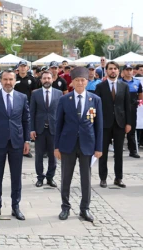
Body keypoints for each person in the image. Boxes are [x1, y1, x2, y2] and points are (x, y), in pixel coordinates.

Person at [54, 67, 103, 222]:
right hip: (67, 144)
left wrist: (99, 147)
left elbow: (98, 125)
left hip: (87, 144)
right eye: (77, 80)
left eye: (83, 80)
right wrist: (56, 147)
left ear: (87, 81)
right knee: (66, 178)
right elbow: (58, 125)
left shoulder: (94, 100)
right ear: (72, 83)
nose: (80, 83)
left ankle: (85, 208)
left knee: (86, 179)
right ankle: (65, 207)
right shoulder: (64, 100)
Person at [0, 70, 30, 221]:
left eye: (11, 79)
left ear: (15, 80)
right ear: (1, 80)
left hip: (17, 142)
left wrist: (27, 140)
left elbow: (26, 120)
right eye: (5, 79)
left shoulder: (22, 97)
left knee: (16, 176)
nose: (8, 82)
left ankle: (15, 206)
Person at [95, 61, 132, 188]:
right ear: (106, 71)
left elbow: (128, 106)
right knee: (103, 152)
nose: (113, 71)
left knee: (119, 153)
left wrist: (128, 123)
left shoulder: (124, 86)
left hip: (120, 123)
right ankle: (103, 178)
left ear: (118, 71)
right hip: (104, 124)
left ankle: (118, 178)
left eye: (115, 69)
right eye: (110, 69)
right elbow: (96, 107)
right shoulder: (100, 86)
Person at [30, 71, 63, 187]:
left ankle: (50, 177)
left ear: (52, 79)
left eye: (49, 78)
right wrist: (31, 129)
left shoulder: (59, 93)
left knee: (53, 156)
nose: (47, 80)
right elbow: (32, 112)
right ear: (41, 80)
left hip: (54, 129)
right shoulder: (35, 94)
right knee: (39, 156)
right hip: (39, 130)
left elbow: (61, 113)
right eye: (44, 78)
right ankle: (40, 177)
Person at [120, 64, 142, 158]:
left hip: (132, 109)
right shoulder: (119, 82)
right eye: (127, 70)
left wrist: (137, 102)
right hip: (120, 109)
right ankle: (118, 151)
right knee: (120, 130)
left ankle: (133, 151)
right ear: (123, 71)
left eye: (130, 69)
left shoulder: (137, 82)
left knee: (131, 130)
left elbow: (140, 95)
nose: (129, 71)